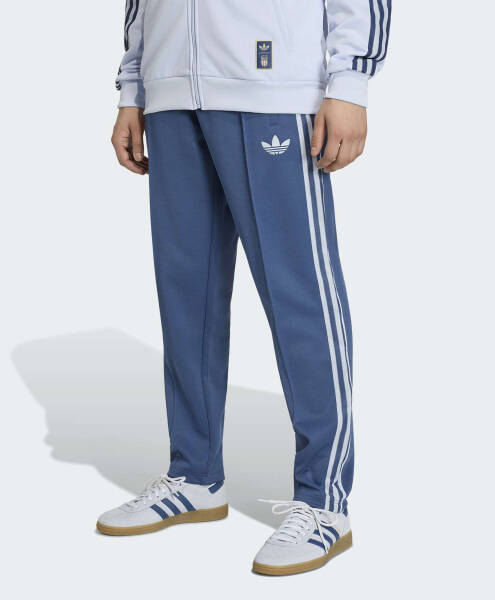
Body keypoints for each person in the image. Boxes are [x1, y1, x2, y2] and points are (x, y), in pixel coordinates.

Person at [97, 0, 391, 576]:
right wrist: (133, 88)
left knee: (299, 295)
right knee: (186, 297)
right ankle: (195, 476)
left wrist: (350, 80)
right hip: (170, 92)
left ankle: (324, 500)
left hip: (273, 86)